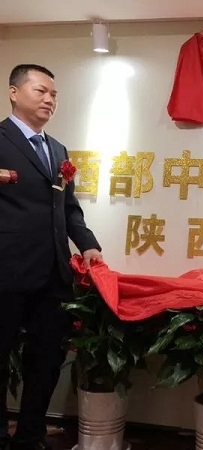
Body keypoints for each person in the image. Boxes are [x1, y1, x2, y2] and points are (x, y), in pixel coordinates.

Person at [0, 64, 102, 450]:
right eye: (41, 91)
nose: (49, 100)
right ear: (14, 93)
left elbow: (68, 208)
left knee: (46, 361)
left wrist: (88, 244)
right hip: (6, 271)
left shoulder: (57, 150)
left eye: (54, 94)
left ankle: (30, 436)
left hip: (53, 274)